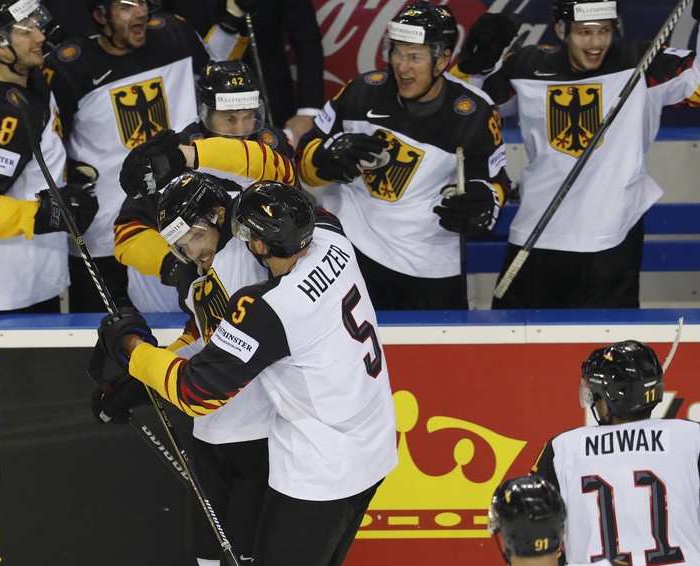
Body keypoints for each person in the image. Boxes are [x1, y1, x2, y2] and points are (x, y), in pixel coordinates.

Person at [98, 181, 398, 565]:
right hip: (375, 444)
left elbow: (196, 393)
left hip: (322, 469)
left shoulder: (271, 305)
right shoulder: (331, 237)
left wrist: (132, 349)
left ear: (257, 244)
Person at [461, 0, 700, 309]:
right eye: (584, 32)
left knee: (604, 350)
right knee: (519, 347)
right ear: (560, 30)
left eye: (604, 30)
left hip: (609, 242)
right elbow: (466, 109)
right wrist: (472, 67)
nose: (596, 42)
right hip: (534, 236)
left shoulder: (643, 63)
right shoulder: (525, 65)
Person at [97, 171, 274, 565]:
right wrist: (141, 378)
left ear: (218, 215)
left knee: (243, 555)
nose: (194, 252)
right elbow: (205, 340)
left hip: (259, 438)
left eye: (196, 236)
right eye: (182, 246)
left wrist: (138, 355)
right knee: (210, 555)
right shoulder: (205, 281)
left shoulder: (252, 257)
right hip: (212, 437)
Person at [296, 1, 511, 310]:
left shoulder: (475, 113)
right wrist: (323, 161)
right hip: (348, 254)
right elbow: (303, 160)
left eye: (415, 56)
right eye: (397, 52)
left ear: (443, 60)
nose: (402, 66)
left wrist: (484, 202)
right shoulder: (359, 91)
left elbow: (497, 185)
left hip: (429, 267)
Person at [41, 0, 212, 313]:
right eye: (126, 6)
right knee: (102, 338)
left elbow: (216, 84)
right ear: (100, 16)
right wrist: (68, 177)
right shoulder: (68, 66)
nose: (140, 12)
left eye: (143, 3)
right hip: (101, 231)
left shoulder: (175, 33)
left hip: (178, 226)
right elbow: (48, 145)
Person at [0, 0, 99, 314]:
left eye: (36, 23)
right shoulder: (2, 116)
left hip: (33, 271)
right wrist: (46, 213)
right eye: (26, 30)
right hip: (8, 286)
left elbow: (16, 157)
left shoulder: (22, 78)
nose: (40, 36)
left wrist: (60, 167)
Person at [113, 59, 295, 311]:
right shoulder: (171, 157)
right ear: (204, 112)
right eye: (230, 118)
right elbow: (127, 231)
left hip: (246, 301)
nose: (242, 129)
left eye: (249, 116)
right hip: (166, 303)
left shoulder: (274, 144)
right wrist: (175, 267)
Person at [531, 340, 700, 565]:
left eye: (597, 393)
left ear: (610, 396)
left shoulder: (563, 449)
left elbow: (532, 533)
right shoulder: (691, 438)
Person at [161, 0, 324, 144]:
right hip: (195, 102)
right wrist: (231, 21)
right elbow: (160, 26)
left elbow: (307, 37)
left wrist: (308, 111)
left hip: (268, 98)